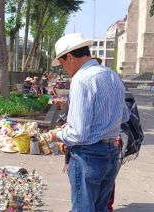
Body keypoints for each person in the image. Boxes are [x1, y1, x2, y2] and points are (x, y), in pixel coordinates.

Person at [48, 33, 130, 212]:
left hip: (89, 156)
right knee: (100, 208)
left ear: (69, 57)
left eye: (62, 64)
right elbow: (124, 116)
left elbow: (78, 134)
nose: (63, 69)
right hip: (111, 153)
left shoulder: (81, 80)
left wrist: (57, 134)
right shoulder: (112, 75)